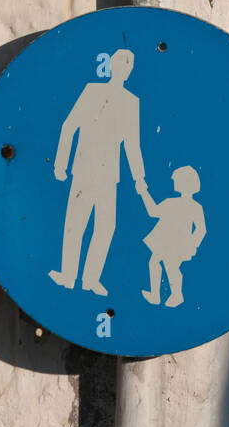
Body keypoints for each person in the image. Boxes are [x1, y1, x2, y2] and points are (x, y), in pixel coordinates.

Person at [48, 48, 145, 297]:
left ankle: (91, 279)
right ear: (112, 66)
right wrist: (60, 164)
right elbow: (69, 126)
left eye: (128, 66)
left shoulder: (131, 102)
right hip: (83, 169)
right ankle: (68, 276)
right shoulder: (92, 90)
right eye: (121, 64)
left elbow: (133, 145)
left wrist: (139, 178)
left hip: (109, 175)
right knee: (75, 225)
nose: (125, 69)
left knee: (105, 227)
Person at [138, 165, 205, 308]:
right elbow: (153, 211)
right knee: (155, 262)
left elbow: (201, 229)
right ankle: (156, 295)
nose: (174, 182)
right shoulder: (171, 202)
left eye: (176, 180)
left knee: (172, 267)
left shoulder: (195, 207)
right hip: (165, 240)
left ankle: (177, 295)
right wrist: (144, 193)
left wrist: (192, 244)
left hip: (179, 243)